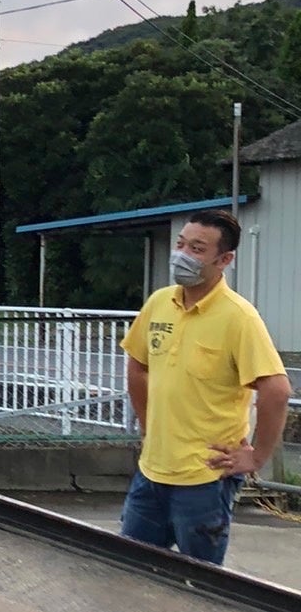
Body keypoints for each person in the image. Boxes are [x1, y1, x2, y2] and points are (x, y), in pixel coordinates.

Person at [120, 207, 292, 565]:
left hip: (205, 479)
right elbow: (137, 365)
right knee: (129, 570)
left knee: (200, 581)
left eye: (197, 249)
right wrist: (149, 427)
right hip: (151, 473)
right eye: (180, 244)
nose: (182, 255)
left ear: (224, 259)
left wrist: (256, 457)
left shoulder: (238, 317)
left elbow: (276, 390)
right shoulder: (159, 303)